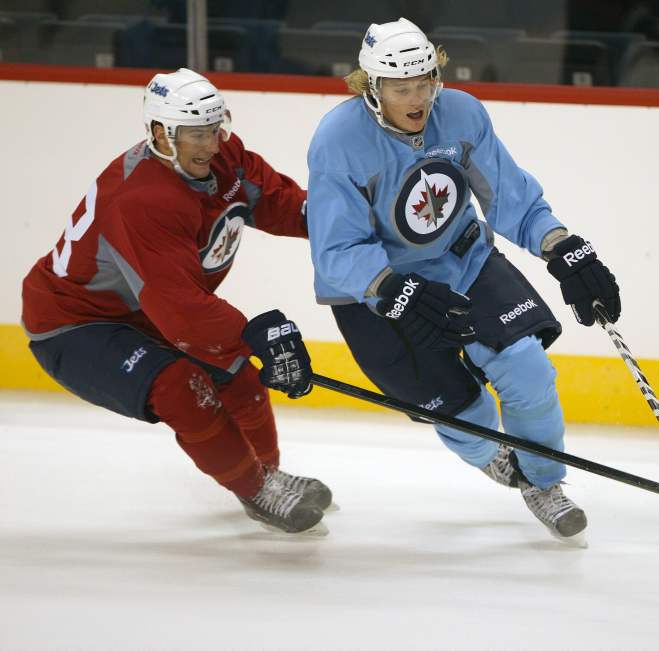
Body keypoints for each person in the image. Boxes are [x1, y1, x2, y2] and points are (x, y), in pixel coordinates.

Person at [305, 19, 622, 544]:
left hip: (463, 261)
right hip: (377, 291)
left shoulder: (462, 113)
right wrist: (392, 288)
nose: (417, 98)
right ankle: (489, 454)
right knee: (455, 404)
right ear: (371, 87)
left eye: (425, 82)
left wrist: (561, 246)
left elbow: (511, 197)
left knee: (527, 369)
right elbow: (335, 250)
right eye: (401, 88)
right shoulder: (338, 140)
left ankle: (543, 481)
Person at [21, 68, 330, 535]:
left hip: (141, 307)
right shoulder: (142, 198)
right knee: (180, 387)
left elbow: (278, 202)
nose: (209, 145)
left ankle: (270, 477)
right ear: (160, 133)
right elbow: (181, 310)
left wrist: (344, 221)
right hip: (74, 322)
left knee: (237, 376)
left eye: (214, 130)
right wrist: (253, 334)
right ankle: (257, 490)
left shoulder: (226, 157)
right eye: (194, 135)